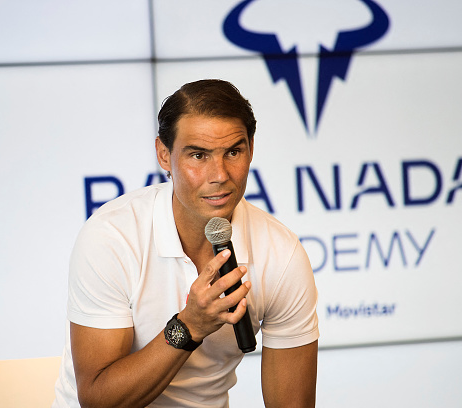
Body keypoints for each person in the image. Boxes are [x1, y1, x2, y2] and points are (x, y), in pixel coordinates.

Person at [53, 79, 319, 407]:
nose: (219, 174)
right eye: (198, 155)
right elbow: (98, 399)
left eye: (233, 152)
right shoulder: (111, 237)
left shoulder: (282, 254)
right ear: (164, 155)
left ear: (251, 149)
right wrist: (190, 325)